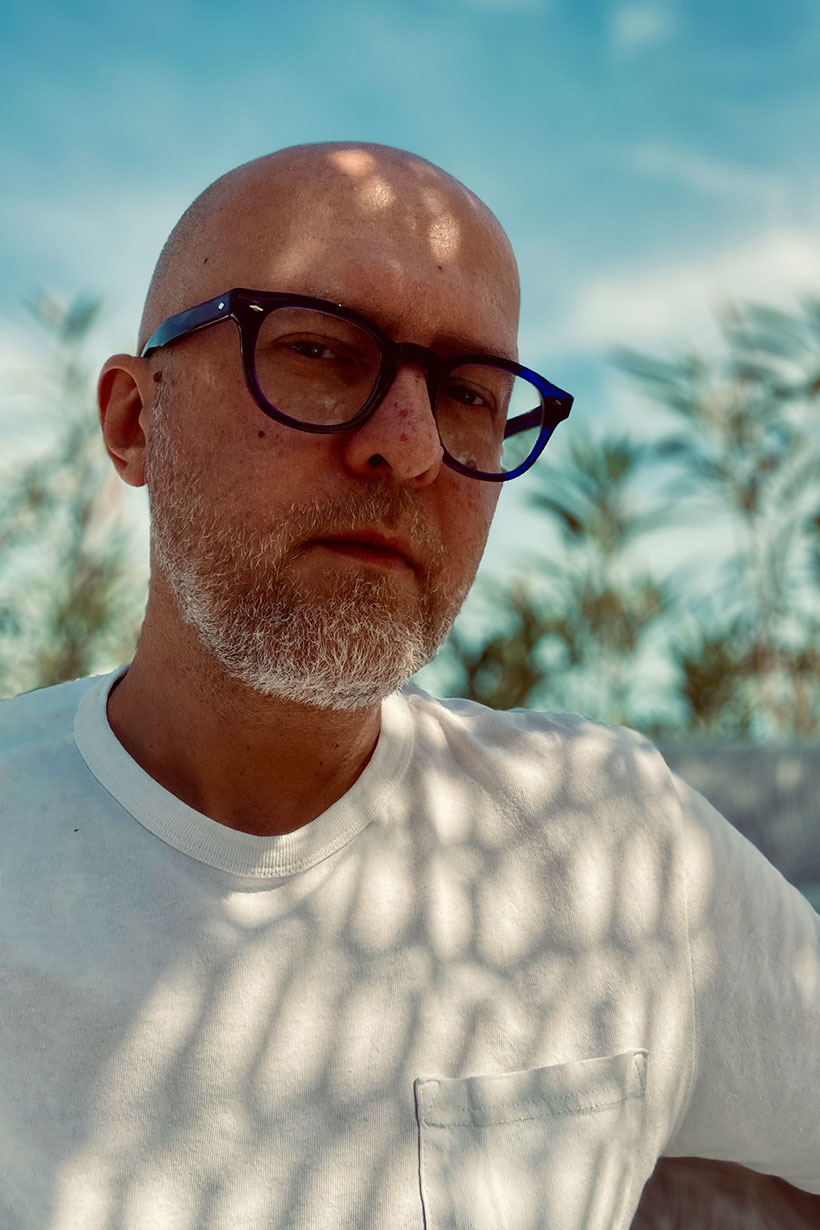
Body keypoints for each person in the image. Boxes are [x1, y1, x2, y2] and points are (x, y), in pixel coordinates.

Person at [0, 142, 817, 1230]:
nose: (412, 447)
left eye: (469, 393)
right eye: (318, 350)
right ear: (134, 419)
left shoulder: (617, 852)